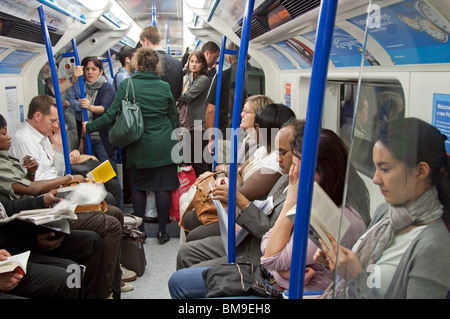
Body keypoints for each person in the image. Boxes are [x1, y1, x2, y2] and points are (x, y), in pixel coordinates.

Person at [317, 117, 450, 299]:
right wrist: (337, 267)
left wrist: (355, 277)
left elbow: (362, 282)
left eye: (385, 169)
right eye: (375, 168)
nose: (376, 179)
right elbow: (369, 281)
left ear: (420, 171)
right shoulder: (384, 213)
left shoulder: (434, 246)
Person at [0, 114, 129, 298]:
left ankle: (112, 286)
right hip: (27, 220)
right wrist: (67, 180)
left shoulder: (38, 143)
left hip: (42, 203)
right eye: (52, 120)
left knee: (110, 210)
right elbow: (30, 190)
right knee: (109, 222)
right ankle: (109, 288)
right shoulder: (23, 142)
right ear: (38, 116)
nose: (56, 124)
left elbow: (49, 171)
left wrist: (58, 147)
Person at [175, 118, 304, 270]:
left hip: (256, 250)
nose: (278, 158)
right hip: (247, 232)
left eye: (282, 153)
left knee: (185, 276)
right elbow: (238, 171)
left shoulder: (285, 178)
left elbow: (242, 187)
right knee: (186, 250)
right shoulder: (283, 175)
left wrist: (236, 191)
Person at [84, 48, 179, 245]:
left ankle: (141, 231)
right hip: (163, 144)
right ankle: (162, 232)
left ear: (137, 64)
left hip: (138, 144)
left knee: (139, 187)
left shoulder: (127, 85)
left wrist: (90, 126)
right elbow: (172, 116)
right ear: (156, 66)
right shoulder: (164, 86)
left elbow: (110, 114)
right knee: (163, 188)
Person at [180, 103, 295, 242]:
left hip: (243, 216)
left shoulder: (274, 162)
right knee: (188, 218)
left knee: (193, 232)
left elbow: (241, 189)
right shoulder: (262, 150)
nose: (254, 129)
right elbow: (237, 171)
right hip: (234, 207)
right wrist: (233, 172)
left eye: (257, 126)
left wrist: (232, 171)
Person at [0, 193, 109, 299]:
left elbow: (5, 208)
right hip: (14, 245)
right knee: (70, 274)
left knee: (90, 241)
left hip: (15, 239)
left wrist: (42, 201)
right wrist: (31, 241)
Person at [66, 57, 120, 186]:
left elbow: (104, 108)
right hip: (88, 137)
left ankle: (117, 203)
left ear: (101, 71)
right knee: (93, 177)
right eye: (87, 69)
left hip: (103, 139)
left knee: (109, 177)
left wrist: (89, 107)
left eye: (94, 69)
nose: (90, 72)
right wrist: (82, 140)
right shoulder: (83, 87)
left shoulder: (106, 87)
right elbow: (85, 119)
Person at [177, 50, 211, 177]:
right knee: (188, 160)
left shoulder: (203, 79)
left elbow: (187, 96)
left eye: (197, 62)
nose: (194, 64)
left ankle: (207, 189)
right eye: (192, 61)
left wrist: (172, 93)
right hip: (187, 123)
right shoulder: (189, 78)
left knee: (198, 160)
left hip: (197, 124)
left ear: (203, 64)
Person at [140, 26, 183, 101]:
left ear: (146, 41)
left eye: (141, 44)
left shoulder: (146, 63)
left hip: (153, 110)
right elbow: (178, 93)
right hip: (172, 110)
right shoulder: (178, 63)